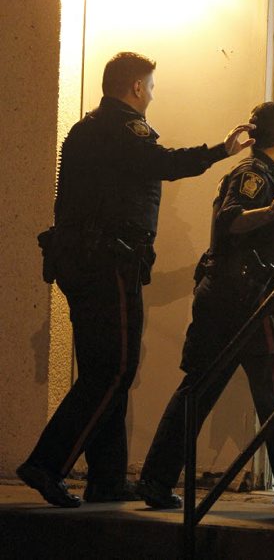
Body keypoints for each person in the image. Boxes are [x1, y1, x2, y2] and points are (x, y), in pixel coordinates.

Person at [16, 51, 255, 508]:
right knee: (115, 370)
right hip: (109, 264)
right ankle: (46, 463)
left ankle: (106, 480)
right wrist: (220, 151)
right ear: (137, 88)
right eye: (151, 85)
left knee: (105, 370)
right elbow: (162, 164)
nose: (153, 93)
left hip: (81, 262)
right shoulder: (125, 128)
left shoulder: (87, 128)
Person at [138, 101, 274, 509]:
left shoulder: (259, 173)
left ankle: (155, 482)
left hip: (226, 299)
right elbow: (230, 220)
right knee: (266, 392)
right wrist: (272, 211)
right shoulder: (253, 174)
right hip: (241, 303)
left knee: (205, 391)